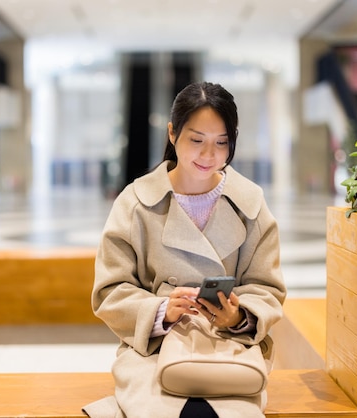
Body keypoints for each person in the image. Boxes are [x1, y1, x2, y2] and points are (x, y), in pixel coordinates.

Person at [83, 81, 286, 418]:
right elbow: (109, 290)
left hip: (231, 351)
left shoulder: (250, 204)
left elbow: (267, 286)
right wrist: (161, 311)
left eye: (222, 143)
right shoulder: (136, 202)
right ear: (172, 134)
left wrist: (237, 316)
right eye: (196, 140)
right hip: (153, 352)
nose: (209, 155)